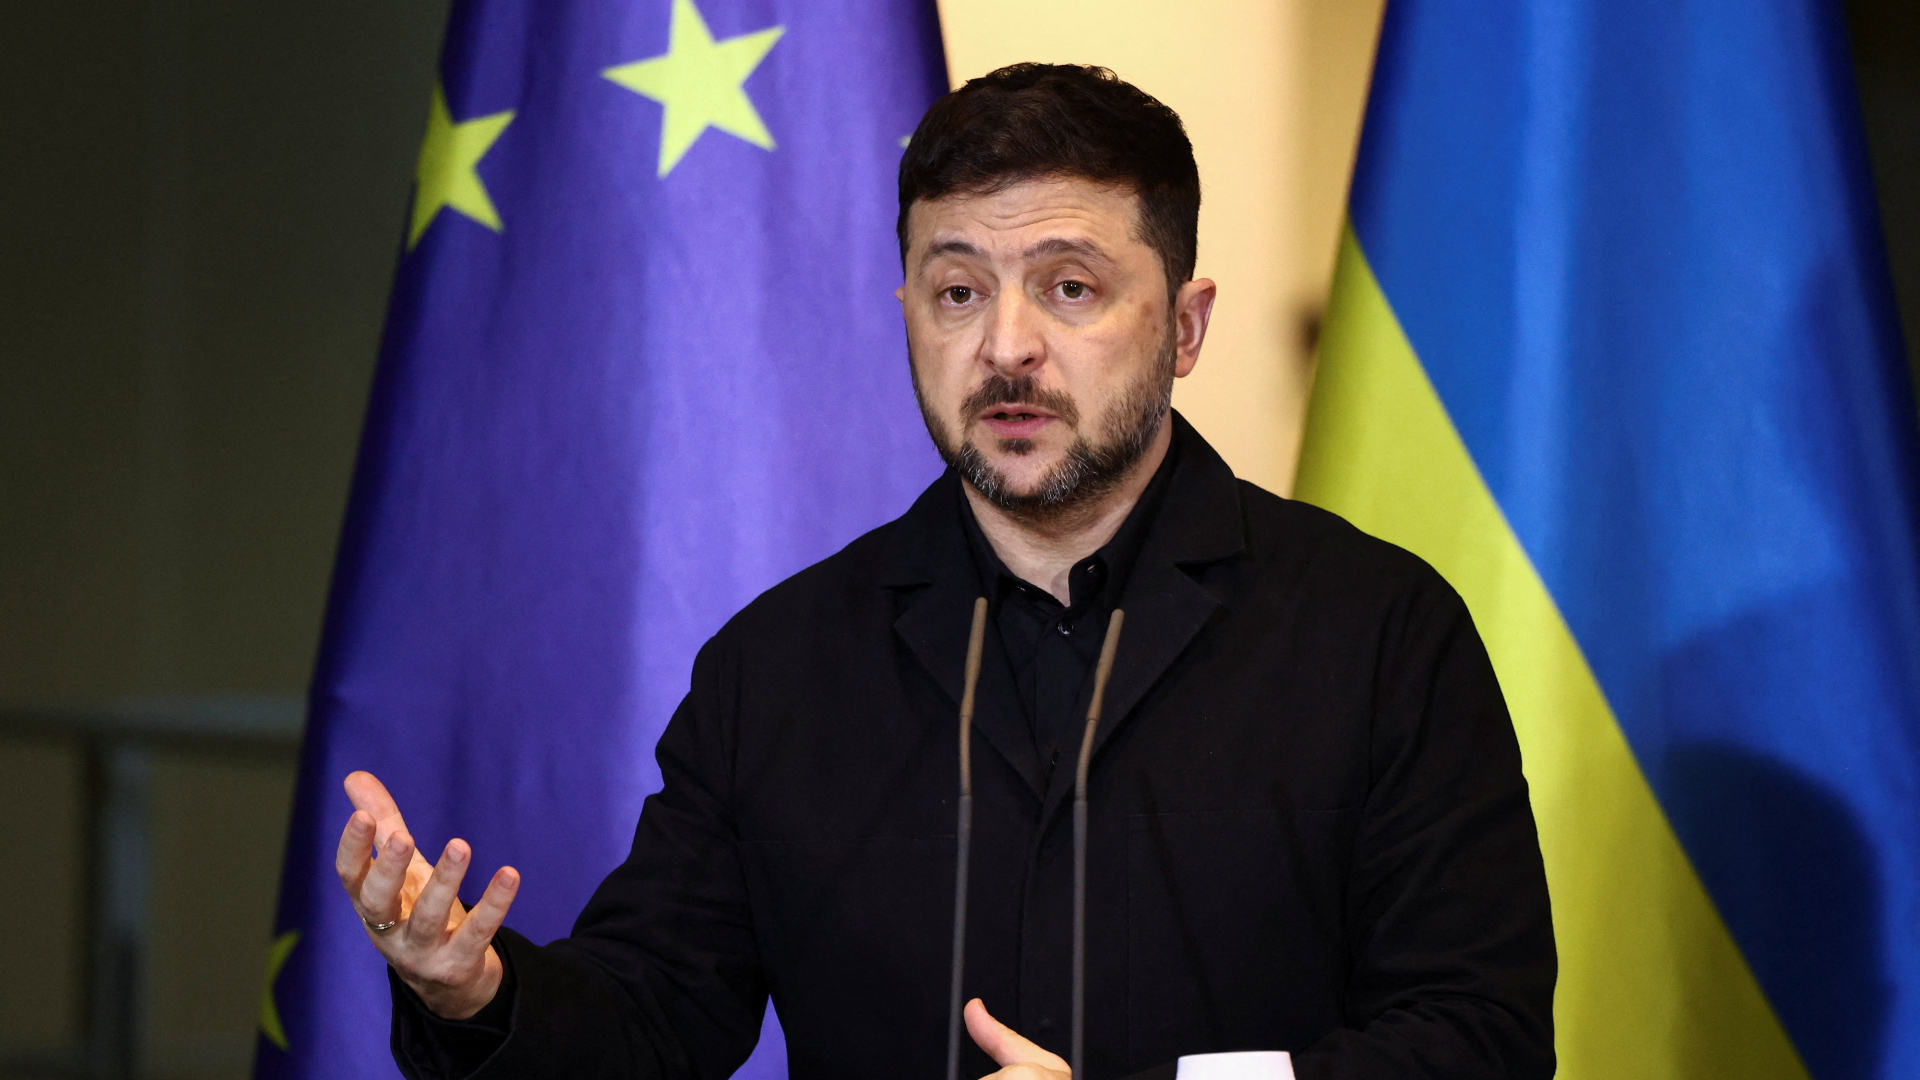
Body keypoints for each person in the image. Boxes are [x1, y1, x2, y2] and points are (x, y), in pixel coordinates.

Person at [334, 63, 1555, 1080]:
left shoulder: (1378, 635)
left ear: (1185, 326)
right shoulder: (780, 667)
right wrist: (477, 994)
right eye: (958, 290)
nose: (1007, 347)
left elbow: (1480, 1036)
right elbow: (653, 1020)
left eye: (1069, 288)